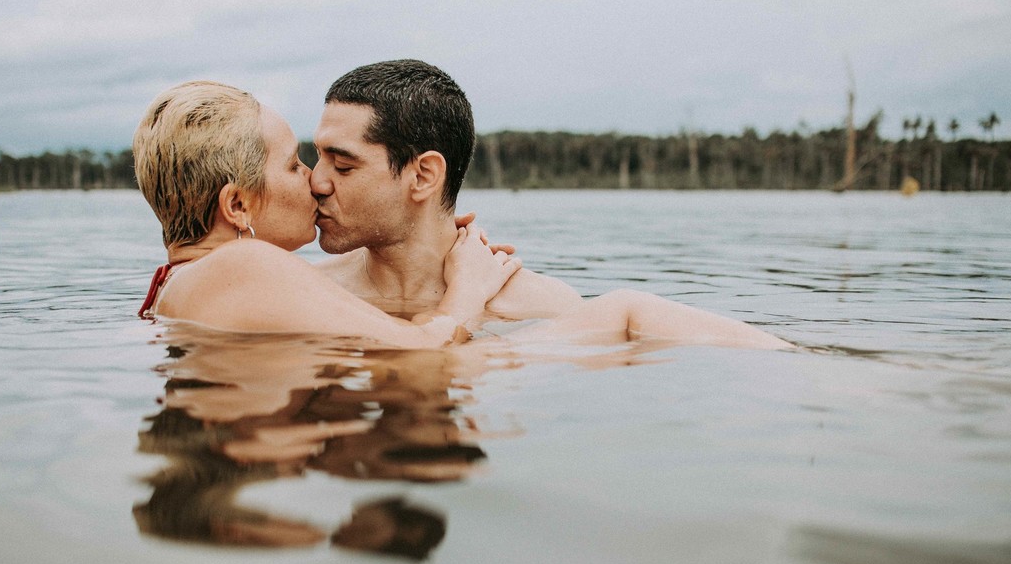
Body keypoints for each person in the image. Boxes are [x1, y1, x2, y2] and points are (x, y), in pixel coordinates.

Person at [310, 60, 791, 349]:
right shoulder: (306, 288)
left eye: (343, 166)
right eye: (317, 159)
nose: (317, 181)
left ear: (423, 175)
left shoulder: (537, 306)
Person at [133, 81, 521, 349]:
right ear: (237, 206)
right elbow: (424, 349)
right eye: (293, 165)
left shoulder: (183, 284)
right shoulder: (243, 265)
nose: (314, 180)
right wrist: (469, 284)